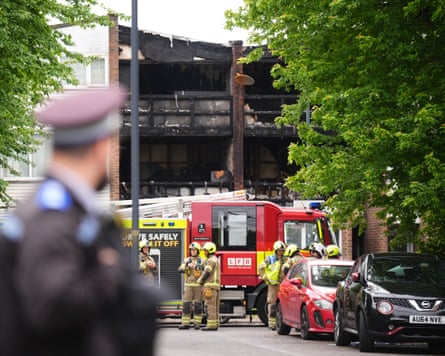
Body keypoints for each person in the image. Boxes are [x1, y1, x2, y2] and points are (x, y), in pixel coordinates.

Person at [5, 88, 158, 356]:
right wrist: (111, 271)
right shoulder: (54, 215)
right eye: (114, 146)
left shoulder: (59, 207)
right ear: (101, 147)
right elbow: (55, 304)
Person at [259, 240, 286, 330]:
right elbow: (261, 268)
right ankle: (272, 323)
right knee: (272, 304)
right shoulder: (270, 259)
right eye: (279, 250)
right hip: (273, 285)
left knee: (283, 304)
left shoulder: (285, 260)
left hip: (283, 284)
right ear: (275, 250)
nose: (281, 252)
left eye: (282, 250)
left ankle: (283, 322)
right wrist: (265, 277)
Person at [177, 242, 205, 329]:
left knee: (198, 305)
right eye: (191, 250)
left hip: (198, 286)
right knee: (186, 305)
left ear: (198, 251)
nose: (192, 252)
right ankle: (185, 323)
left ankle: (197, 323)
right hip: (188, 286)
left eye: (194, 250)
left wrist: (198, 267)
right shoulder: (187, 260)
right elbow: (180, 269)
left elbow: (207, 272)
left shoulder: (203, 261)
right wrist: (187, 266)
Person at [197, 241, 220, 331]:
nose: (204, 252)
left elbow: (207, 272)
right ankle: (215, 324)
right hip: (215, 286)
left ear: (210, 250)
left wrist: (200, 280)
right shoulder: (215, 259)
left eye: (205, 251)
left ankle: (211, 325)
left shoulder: (210, 260)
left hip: (210, 286)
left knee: (210, 306)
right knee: (215, 306)